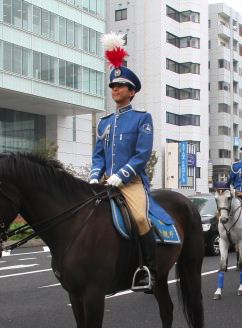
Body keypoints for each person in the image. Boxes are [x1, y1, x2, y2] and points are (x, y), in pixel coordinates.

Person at [89, 33, 156, 293]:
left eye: (120, 86)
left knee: (139, 218)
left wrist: (123, 175)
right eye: (112, 86)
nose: (115, 90)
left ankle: (149, 269)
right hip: (106, 182)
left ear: (132, 91)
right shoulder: (105, 122)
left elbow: (142, 154)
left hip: (131, 183)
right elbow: (98, 155)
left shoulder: (142, 118)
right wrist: (96, 175)